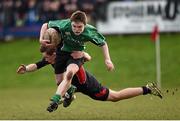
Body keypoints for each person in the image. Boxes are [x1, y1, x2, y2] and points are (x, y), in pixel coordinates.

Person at [17, 47, 163, 113]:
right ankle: (69, 94)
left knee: (115, 96)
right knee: (62, 82)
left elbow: (85, 55)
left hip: (87, 84)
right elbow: (37, 64)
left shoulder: (65, 55)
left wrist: (85, 56)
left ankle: (147, 88)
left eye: (47, 57)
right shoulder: (51, 59)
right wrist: (25, 68)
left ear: (55, 54)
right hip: (72, 83)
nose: (45, 60)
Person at [39, 10, 114, 105]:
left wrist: (107, 59)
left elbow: (103, 43)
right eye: (74, 26)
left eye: (80, 27)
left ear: (85, 25)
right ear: (71, 23)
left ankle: (56, 98)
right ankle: (70, 94)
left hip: (76, 55)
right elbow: (45, 25)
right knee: (59, 81)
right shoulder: (64, 25)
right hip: (63, 52)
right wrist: (41, 39)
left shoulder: (90, 31)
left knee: (70, 72)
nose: (76, 29)